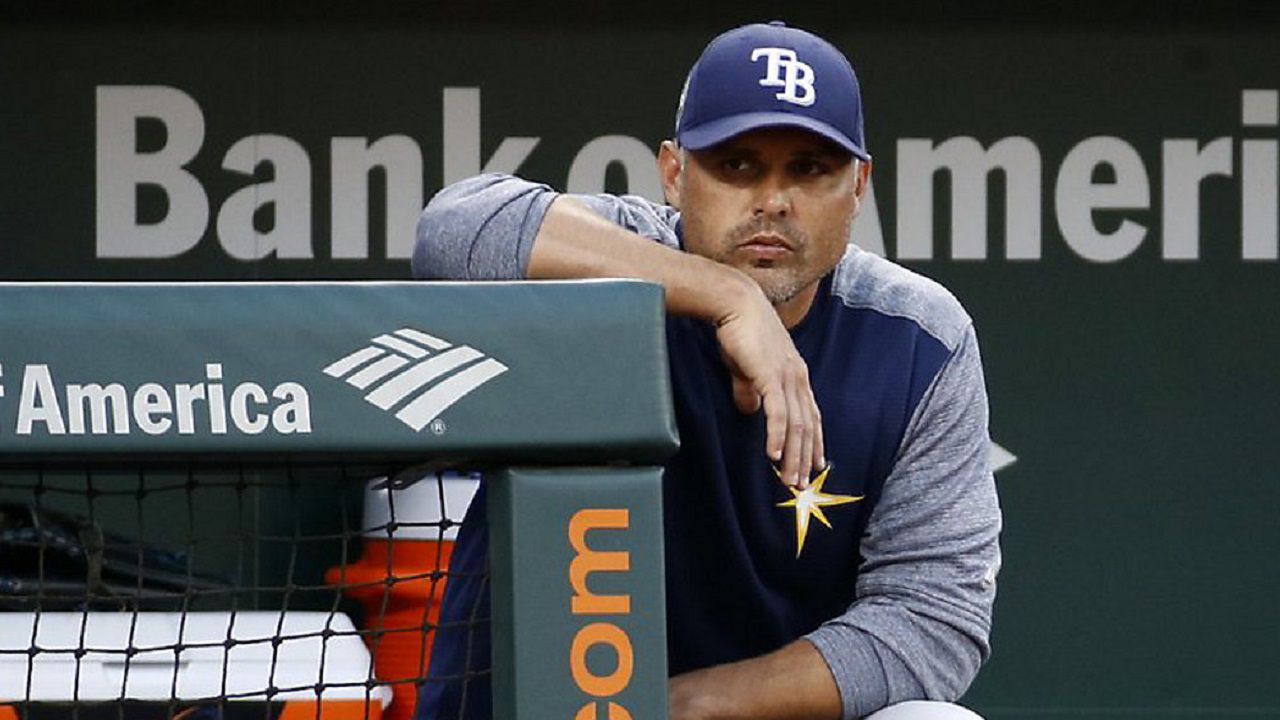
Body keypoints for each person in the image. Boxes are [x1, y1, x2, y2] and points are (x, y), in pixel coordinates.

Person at [412, 21, 1001, 720]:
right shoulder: (613, 263)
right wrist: (727, 296)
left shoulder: (919, 339)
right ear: (673, 172)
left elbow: (933, 619)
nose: (773, 201)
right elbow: (451, 230)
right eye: (737, 165)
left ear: (860, 185)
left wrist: (683, 705)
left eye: (809, 169)